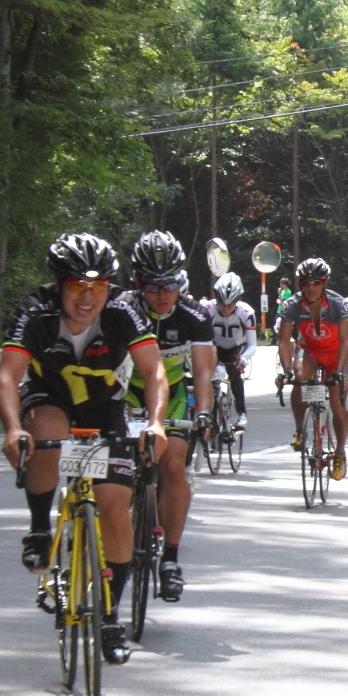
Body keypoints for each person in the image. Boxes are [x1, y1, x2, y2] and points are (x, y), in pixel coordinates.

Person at [0, 234, 168, 665]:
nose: (88, 297)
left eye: (98, 287)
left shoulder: (124, 311)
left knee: (114, 507)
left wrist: (156, 423)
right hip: (49, 397)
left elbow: (154, 371)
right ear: (58, 285)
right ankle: (40, 528)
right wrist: (14, 428)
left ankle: (109, 616)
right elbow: (6, 375)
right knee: (48, 439)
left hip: (104, 406)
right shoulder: (35, 311)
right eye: (76, 286)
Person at [128, 232, 216, 603]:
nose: (163, 294)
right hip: (125, 392)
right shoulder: (122, 309)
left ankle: (170, 559)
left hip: (175, 395)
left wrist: (206, 413)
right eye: (152, 286)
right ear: (137, 283)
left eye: (170, 284)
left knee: (174, 465)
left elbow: (203, 373)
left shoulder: (195, 314)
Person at [275, 257, 348, 479]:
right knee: (299, 378)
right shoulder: (291, 305)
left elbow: (346, 341)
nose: (311, 288)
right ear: (300, 284)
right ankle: (300, 429)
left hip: (335, 354)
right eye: (306, 283)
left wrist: (338, 372)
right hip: (309, 350)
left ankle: (339, 452)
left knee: (336, 404)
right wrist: (286, 370)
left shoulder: (339, 305)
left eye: (317, 283)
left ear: (325, 283)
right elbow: (284, 340)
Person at [207, 272, 255, 425]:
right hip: (214, 347)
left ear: (238, 300)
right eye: (221, 304)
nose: (226, 309)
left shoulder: (246, 313)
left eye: (231, 305)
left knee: (234, 371)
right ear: (216, 299)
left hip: (235, 348)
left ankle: (242, 412)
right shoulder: (207, 309)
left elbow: (252, 345)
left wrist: (244, 358)